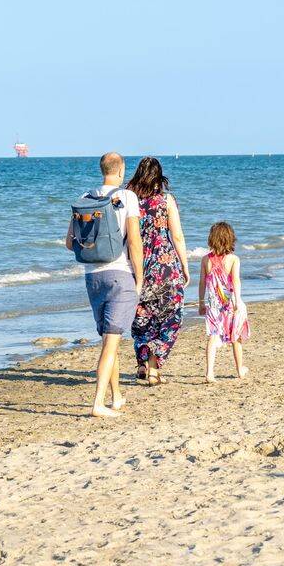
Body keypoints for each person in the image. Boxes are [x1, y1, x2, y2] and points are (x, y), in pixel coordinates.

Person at [66, 152, 143, 417]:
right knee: (111, 342)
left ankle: (116, 396)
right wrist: (140, 278)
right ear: (121, 171)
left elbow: (69, 243)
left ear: (102, 170)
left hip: (92, 277)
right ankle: (98, 404)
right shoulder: (128, 197)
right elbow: (134, 242)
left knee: (110, 338)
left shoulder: (85, 198)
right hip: (119, 274)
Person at [126, 157, 190, 386]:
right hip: (166, 268)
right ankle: (153, 368)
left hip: (137, 267)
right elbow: (177, 236)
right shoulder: (166, 200)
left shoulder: (129, 200)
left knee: (141, 318)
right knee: (171, 318)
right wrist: (185, 265)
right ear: (159, 177)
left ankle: (141, 364)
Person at [198, 221, 250, 382]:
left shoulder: (205, 260)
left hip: (213, 304)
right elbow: (236, 281)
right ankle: (240, 370)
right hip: (230, 303)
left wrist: (201, 302)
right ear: (230, 239)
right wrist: (237, 301)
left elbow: (202, 283)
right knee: (236, 336)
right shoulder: (233, 259)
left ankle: (209, 373)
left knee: (213, 336)